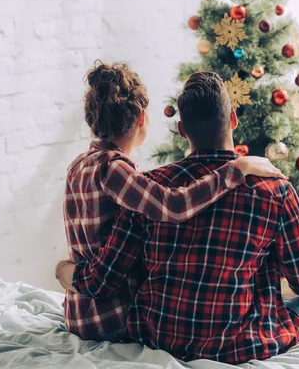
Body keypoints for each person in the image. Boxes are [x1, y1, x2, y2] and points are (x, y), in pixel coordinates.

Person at [57, 72, 299, 364]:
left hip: (157, 337)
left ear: (182, 130)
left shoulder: (147, 185)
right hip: (236, 346)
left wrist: (66, 271)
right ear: (233, 119)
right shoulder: (274, 189)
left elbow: (112, 269)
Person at [61, 62, 286, 342]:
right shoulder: (114, 169)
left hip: (78, 311)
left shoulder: (77, 166)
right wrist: (236, 169)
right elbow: (173, 205)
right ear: (142, 118)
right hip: (112, 316)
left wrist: (66, 272)